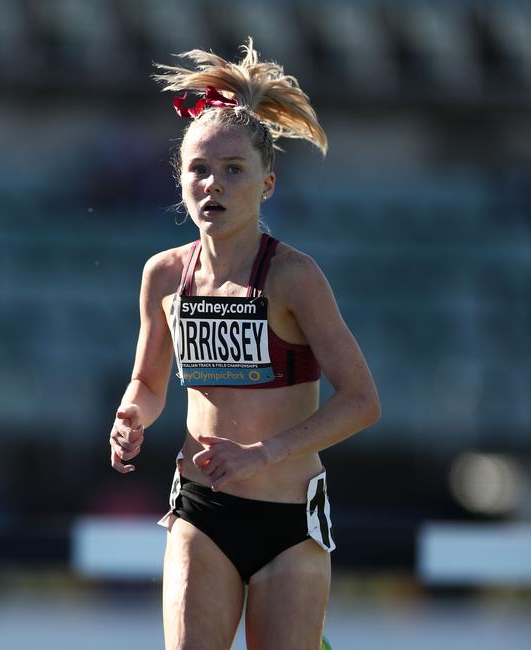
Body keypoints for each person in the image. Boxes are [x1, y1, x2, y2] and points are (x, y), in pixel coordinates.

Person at [109, 38, 381, 650]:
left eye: (234, 170)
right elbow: (150, 383)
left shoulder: (293, 277)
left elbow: (362, 401)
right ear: (179, 180)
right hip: (202, 511)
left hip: (289, 523)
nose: (214, 184)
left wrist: (264, 452)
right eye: (199, 170)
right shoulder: (164, 275)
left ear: (268, 184)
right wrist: (131, 417)